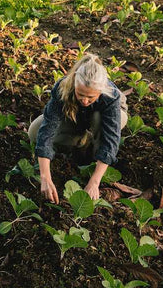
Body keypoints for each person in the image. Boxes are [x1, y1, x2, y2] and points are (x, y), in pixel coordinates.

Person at [28, 53, 128, 203]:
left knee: (97, 119)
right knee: (34, 131)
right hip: (76, 116)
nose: (85, 100)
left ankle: (94, 155)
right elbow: (47, 131)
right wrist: (45, 178)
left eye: (91, 97)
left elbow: (111, 140)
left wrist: (94, 182)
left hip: (105, 118)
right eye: (81, 94)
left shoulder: (110, 95)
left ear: (100, 92)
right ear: (74, 83)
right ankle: (81, 141)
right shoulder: (63, 88)